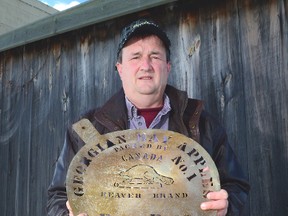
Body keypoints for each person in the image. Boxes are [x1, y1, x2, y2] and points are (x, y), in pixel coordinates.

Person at [47, 19, 250, 216]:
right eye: (135, 57)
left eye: (155, 56)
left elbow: (236, 186)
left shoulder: (203, 124)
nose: (146, 65)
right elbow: (58, 195)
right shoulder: (86, 128)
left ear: (167, 66)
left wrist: (226, 206)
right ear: (120, 69)